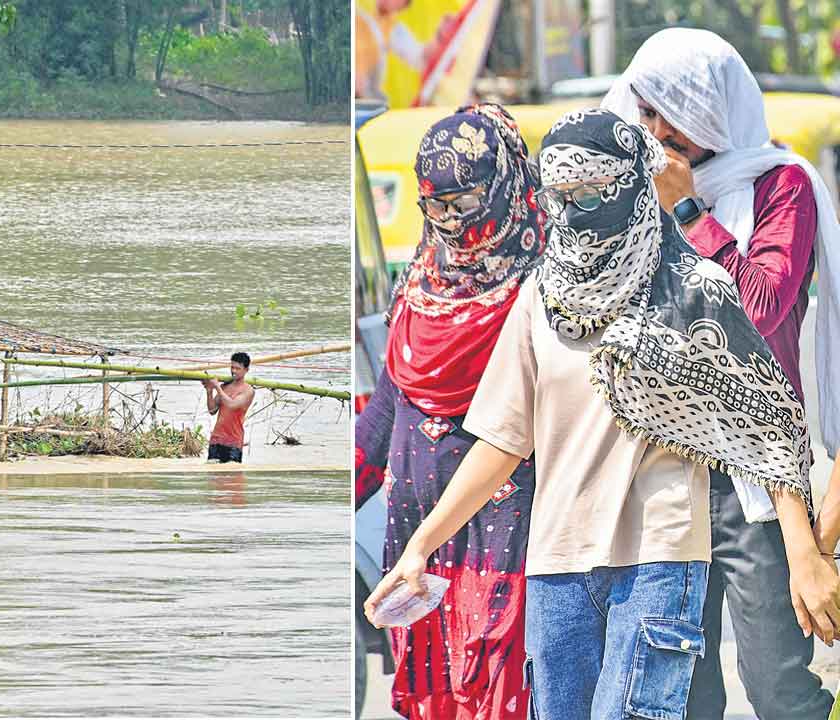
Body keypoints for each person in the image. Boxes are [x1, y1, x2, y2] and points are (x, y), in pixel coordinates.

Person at [366, 108, 827, 719]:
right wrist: (420, 548)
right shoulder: (543, 297)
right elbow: (503, 440)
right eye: (560, 195)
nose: (574, 211)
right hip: (557, 569)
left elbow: (761, 426)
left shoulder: (694, 288)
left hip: (658, 562)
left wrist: (803, 555)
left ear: (635, 187)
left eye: (592, 192)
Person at [602, 29, 840, 719]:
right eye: (644, 113)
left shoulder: (779, 186)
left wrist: (688, 212)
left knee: (778, 685)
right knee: (679, 691)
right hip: (662, 469)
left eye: (669, 114)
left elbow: (760, 312)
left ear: (710, 110)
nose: (654, 132)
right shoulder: (632, 194)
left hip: (759, 477)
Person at [353, 103, 545, 719]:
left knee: (501, 694)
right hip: (418, 545)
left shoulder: (545, 286)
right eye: (436, 207)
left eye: (465, 204)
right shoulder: (423, 280)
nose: (452, 224)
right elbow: (388, 407)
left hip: (509, 539)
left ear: (506, 190)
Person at [204, 352, 254, 463]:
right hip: (216, 439)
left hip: (234, 441)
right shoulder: (225, 386)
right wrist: (209, 391)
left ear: (246, 370)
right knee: (213, 476)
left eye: (238, 368)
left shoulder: (248, 390)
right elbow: (212, 410)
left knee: (232, 477)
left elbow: (232, 405)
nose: (234, 371)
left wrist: (217, 386)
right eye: (232, 367)